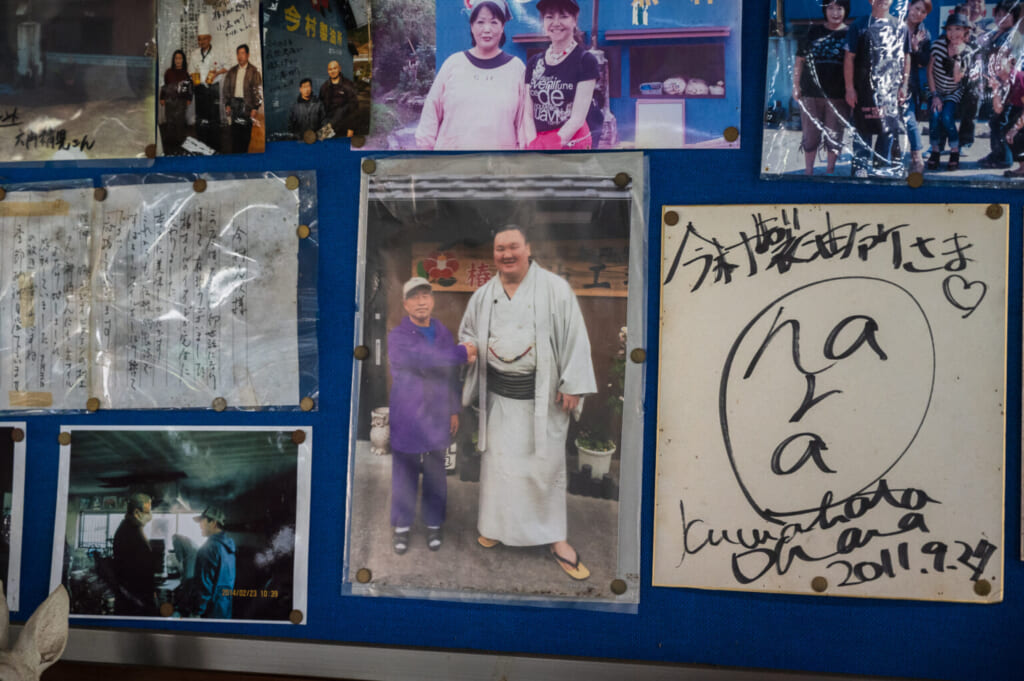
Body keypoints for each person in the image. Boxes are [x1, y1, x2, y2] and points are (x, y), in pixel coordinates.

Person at [459, 225, 597, 580]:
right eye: (499, 248)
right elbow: (469, 333)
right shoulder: (484, 294)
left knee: (543, 470)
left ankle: (555, 539)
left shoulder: (555, 289)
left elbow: (575, 337)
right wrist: (469, 349)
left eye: (513, 247)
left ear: (528, 249)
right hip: (499, 399)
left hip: (542, 400)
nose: (506, 254)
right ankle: (496, 525)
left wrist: (574, 384)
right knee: (500, 469)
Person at [387, 277, 476, 554]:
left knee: (437, 472)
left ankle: (434, 525)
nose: (421, 301)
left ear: (433, 300)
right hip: (408, 413)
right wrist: (461, 352)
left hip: (438, 413)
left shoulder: (441, 332)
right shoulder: (397, 337)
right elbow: (422, 360)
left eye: (425, 295)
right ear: (405, 305)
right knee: (405, 471)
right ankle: (402, 528)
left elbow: (450, 375)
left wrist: (453, 410)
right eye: (414, 297)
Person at [415, 0, 527, 149]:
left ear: (502, 27)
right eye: (480, 22)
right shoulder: (453, 64)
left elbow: (523, 125)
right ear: (471, 26)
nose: (487, 29)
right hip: (450, 166)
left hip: (499, 167)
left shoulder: (516, 68)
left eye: (494, 22)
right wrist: (427, 156)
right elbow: (430, 115)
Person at [844, 0, 910, 177]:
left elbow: (906, 56)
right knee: (862, 131)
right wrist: (850, 88)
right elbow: (849, 58)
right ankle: (860, 169)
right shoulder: (859, 25)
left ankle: (882, 169)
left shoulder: (901, 26)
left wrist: (904, 84)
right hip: (863, 91)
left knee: (887, 132)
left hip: (889, 93)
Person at [525, 0, 598, 150]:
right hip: (537, 145)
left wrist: (550, 146)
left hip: (572, 146)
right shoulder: (533, 62)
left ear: (574, 20)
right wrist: (533, 145)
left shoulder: (585, 61)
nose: (556, 23)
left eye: (563, 16)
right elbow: (527, 114)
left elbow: (577, 119)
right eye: (549, 17)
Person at [792, 0, 852, 175]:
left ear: (846, 10)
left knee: (834, 136)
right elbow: (799, 62)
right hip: (810, 94)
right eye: (831, 8)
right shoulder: (813, 32)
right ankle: (808, 172)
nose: (835, 13)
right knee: (810, 137)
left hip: (838, 96)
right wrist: (796, 86)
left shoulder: (850, 34)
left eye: (839, 8)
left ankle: (830, 172)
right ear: (825, 10)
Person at [978, 0, 1024, 168]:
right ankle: (998, 152)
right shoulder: (996, 34)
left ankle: (1003, 157)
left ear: (1015, 17)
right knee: (995, 120)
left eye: (1006, 15)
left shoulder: (1014, 36)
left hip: (1009, 87)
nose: (1001, 18)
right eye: (998, 14)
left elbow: (1015, 62)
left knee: (1000, 121)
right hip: (995, 83)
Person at [926, 13, 971, 171]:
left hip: (953, 91)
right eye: (950, 29)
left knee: (946, 116)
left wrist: (958, 55)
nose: (953, 33)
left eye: (957, 29)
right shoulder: (938, 45)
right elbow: (929, 71)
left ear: (965, 31)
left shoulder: (968, 52)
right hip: (936, 89)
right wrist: (935, 95)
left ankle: (954, 150)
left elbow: (958, 78)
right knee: (935, 116)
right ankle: (935, 151)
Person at [112, 493, 157, 616]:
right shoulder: (128, 533)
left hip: (137, 596)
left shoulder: (133, 529)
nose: (150, 516)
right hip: (134, 600)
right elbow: (137, 569)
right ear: (137, 513)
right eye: (148, 511)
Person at [189, 16, 230, 151]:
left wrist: (217, 73)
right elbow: (190, 70)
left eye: (204, 38)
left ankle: (215, 146)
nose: (202, 42)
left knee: (214, 118)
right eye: (199, 39)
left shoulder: (217, 52)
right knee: (201, 118)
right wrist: (194, 77)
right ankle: (202, 145)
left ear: (210, 38)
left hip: (213, 89)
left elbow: (228, 66)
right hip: (200, 89)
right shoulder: (194, 54)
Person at [904, 0, 932, 173]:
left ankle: (917, 157)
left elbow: (923, 62)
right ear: (909, 7)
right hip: (888, 76)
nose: (918, 14)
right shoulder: (895, 25)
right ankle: (888, 154)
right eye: (916, 9)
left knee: (909, 117)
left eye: (923, 11)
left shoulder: (925, 34)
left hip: (910, 80)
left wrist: (914, 48)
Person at [192, 506, 236, 619]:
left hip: (210, 613)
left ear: (213, 523)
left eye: (202, 521)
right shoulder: (229, 547)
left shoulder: (209, 548)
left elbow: (204, 586)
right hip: (225, 609)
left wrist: (197, 612)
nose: (200, 525)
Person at [223, 44, 263, 154]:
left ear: (248, 55)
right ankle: (236, 161)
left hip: (247, 107)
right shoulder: (232, 72)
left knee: (245, 137)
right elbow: (226, 89)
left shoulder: (254, 71)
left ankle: (243, 159)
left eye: (242, 53)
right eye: (238, 53)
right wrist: (227, 104)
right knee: (234, 136)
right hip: (234, 105)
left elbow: (258, 92)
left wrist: (255, 108)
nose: (240, 56)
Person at [160, 49, 192, 155]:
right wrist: (162, 98)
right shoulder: (168, 72)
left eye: (180, 58)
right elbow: (164, 87)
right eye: (176, 58)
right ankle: (169, 147)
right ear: (174, 60)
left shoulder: (186, 73)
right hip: (169, 101)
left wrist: (189, 99)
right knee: (169, 123)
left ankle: (180, 146)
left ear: (183, 60)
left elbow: (189, 88)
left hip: (181, 102)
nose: (178, 60)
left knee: (180, 123)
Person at [319, 60, 359, 137]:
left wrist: (351, 129)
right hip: (329, 127)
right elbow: (321, 109)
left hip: (344, 127)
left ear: (339, 69)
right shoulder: (324, 87)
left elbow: (354, 108)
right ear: (328, 71)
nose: (332, 71)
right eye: (330, 69)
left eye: (335, 68)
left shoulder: (348, 85)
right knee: (327, 146)